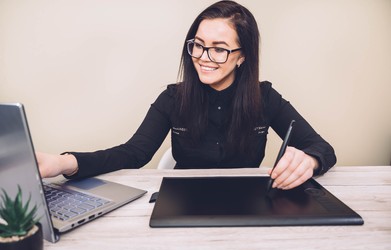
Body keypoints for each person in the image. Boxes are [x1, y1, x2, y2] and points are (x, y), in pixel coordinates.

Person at [37, 0, 336, 190]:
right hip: (181, 202)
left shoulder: (265, 98)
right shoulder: (172, 98)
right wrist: (64, 162)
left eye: (219, 48)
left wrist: (310, 160)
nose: (204, 57)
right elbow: (133, 153)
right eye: (198, 44)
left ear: (242, 56)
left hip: (247, 202)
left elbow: (322, 147)